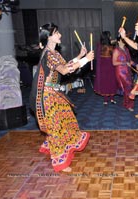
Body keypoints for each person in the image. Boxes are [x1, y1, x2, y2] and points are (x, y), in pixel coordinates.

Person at [29, 23, 94, 172]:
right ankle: (58, 160)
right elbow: (65, 71)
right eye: (57, 33)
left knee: (67, 118)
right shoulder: (49, 54)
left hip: (54, 93)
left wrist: (80, 56)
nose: (60, 35)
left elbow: (65, 65)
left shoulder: (53, 53)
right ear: (49, 37)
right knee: (56, 126)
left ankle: (57, 145)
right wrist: (85, 60)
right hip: (48, 96)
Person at [93, 31, 118, 105]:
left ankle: (111, 99)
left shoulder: (103, 45)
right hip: (105, 67)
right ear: (107, 37)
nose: (110, 37)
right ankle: (106, 99)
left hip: (110, 67)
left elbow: (113, 42)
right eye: (109, 36)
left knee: (111, 82)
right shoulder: (102, 46)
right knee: (106, 83)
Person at [112, 36, 135, 111]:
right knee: (128, 87)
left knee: (130, 87)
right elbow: (114, 63)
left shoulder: (126, 49)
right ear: (118, 41)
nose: (124, 41)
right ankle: (128, 105)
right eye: (122, 40)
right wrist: (124, 62)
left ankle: (127, 103)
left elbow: (129, 61)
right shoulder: (116, 50)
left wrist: (135, 64)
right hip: (120, 72)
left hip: (127, 71)